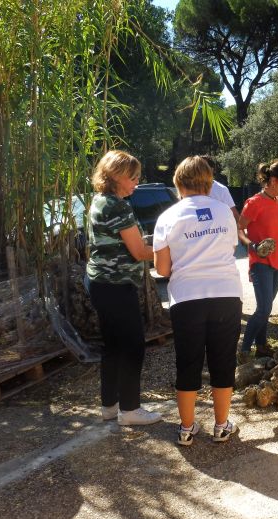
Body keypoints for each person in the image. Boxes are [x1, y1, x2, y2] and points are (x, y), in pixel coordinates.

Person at [153, 156, 243, 445]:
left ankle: (187, 429)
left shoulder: (167, 217)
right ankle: (221, 426)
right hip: (227, 294)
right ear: (208, 183)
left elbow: (163, 269)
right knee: (223, 361)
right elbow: (229, 248)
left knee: (188, 362)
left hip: (186, 298)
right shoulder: (225, 212)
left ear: (178, 183)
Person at [85, 150, 162, 426]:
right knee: (132, 346)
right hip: (116, 286)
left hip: (101, 284)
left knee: (113, 346)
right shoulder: (117, 206)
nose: (136, 183)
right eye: (133, 177)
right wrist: (173, 248)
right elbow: (140, 251)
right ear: (115, 176)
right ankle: (130, 409)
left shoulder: (100, 201)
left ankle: (110, 405)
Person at [237, 160, 278, 362]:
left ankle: (261, 347)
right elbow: (239, 229)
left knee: (267, 307)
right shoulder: (254, 203)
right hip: (261, 263)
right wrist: (252, 246)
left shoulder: (277, 200)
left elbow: (276, 232)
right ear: (272, 180)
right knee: (264, 309)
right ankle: (244, 351)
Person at [201, 155, 240, 224]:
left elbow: (234, 214)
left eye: (204, 166)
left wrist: (241, 232)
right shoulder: (190, 189)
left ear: (212, 169)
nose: (201, 169)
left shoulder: (221, 189)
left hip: (217, 231)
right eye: (199, 167)